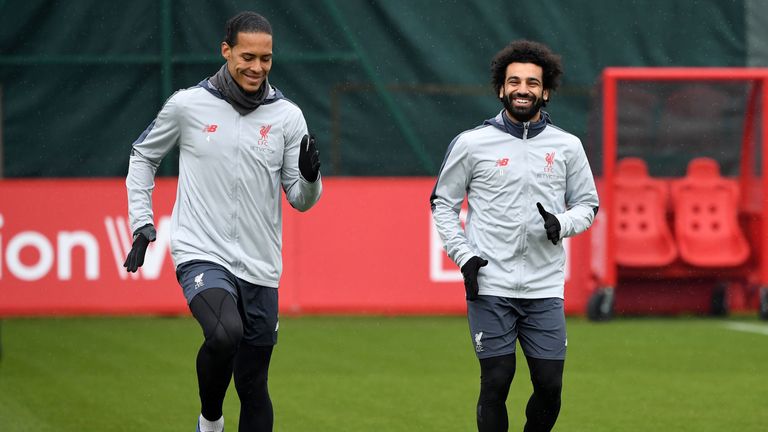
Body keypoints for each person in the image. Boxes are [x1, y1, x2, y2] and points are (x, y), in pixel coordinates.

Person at [123, 11, 322, 432]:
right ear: (226, 51)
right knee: (224, 333)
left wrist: (310, 177)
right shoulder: (187, 105)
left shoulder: (288, 116)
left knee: (253, 384)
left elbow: (300, 201)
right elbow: (143, 156)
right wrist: (141, 221)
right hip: (202, 252)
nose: (257, 67)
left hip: (261, 266)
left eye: (266, 58)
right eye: (247, 56)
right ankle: (210, 421)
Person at [430, 40, 599, 432]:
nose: (523, 89)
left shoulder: (568, 146)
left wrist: (562, 222)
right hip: (491, 284)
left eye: (532, 83)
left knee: (550, 386)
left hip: (544, 286)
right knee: (497, 380)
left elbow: (588, 205)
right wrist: (465, 256)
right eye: (514, 82)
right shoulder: (472, 143)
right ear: (501, 89)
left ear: (546, 91)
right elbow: (442, 204)